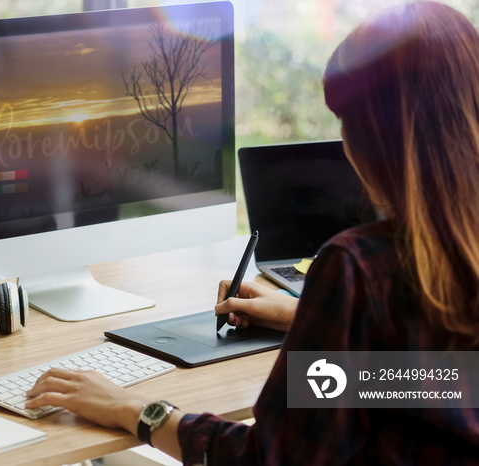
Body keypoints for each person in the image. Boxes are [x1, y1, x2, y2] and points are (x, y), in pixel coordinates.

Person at [25, 2, 479, 463]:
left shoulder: (360, 267)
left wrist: (135, 409)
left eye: (345, 121)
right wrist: (306, 319)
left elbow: (268, 459)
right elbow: (440, 383)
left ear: (372, 136)